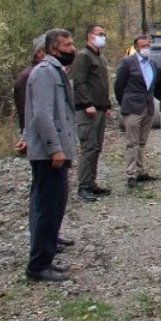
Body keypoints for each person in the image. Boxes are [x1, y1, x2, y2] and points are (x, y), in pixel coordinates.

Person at [22, 29, 79, 283]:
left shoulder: (54, 71)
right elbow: (43, 115)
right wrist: (55, 148)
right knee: (48, 208)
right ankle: (39, 265)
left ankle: (45, 258)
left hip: (52, 151)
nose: (72, 48)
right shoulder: (45, 73)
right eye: (67, 45)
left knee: (49, 207)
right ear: (53, 49)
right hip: (48, 155)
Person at [70, 23, 112, 202]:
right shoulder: (82, 56)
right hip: (87, 110)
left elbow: (102, 84)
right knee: (88, 147)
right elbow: (79, 82)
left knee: (96, 147)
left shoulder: (100, 58)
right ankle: (84, 186)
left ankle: (91, 182)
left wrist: (107, 105)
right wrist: (87, 103)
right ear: (90, 36)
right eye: (99, 33)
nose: (103, 36)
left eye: (104, 33)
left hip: (100, 109)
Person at [114, 35, 158, 189]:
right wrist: (124, 102)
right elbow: (119, 85)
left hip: (148, 106)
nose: (146, 48)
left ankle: (140, 169)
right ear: (136, 47)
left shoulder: (152, 63)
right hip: (132, 107)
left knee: (142, 141)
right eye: (143, 45)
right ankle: (131, 173)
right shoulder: (127, 62)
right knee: (132, 142)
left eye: (148, 45)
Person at [13, 35, 46, 134]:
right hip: (36, 136)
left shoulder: (46, 72)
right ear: (40, 52)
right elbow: (25, 111)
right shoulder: (28, 76)